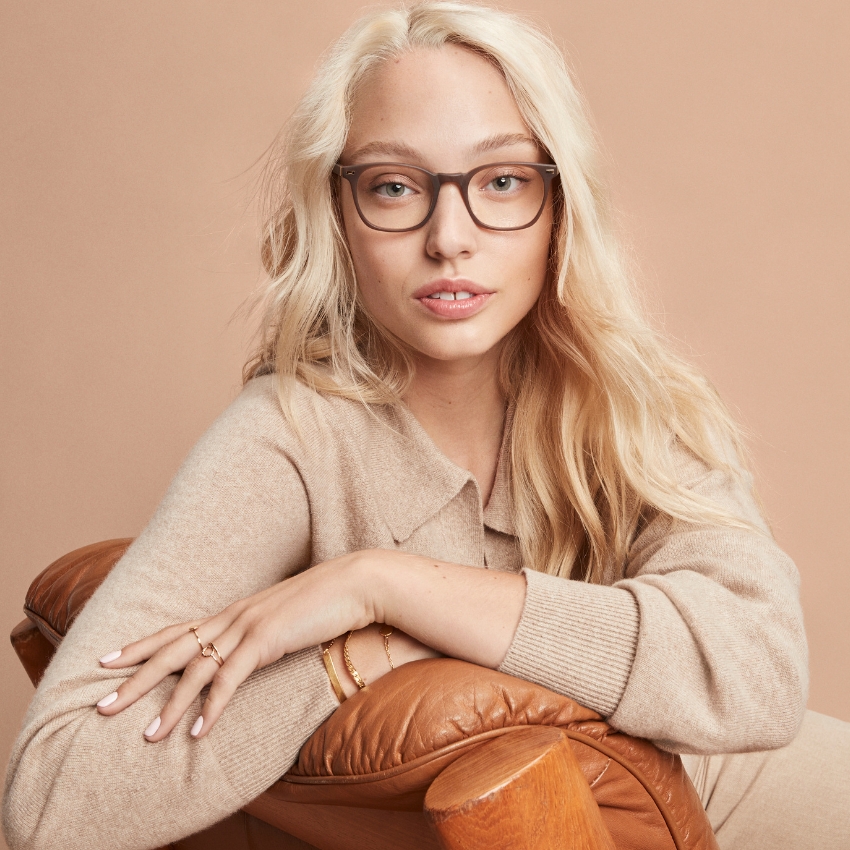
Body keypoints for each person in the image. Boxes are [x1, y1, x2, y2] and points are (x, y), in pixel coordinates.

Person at [3, 3, 848, 849]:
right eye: (396, 188)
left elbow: (761, 672)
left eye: (503, 182)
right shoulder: (292, 438)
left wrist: (388, 586)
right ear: (339, 215)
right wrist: (350, 659)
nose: (450, 239)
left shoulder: (625, 399)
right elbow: (52, 797)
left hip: (743, 785)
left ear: (560, 207)